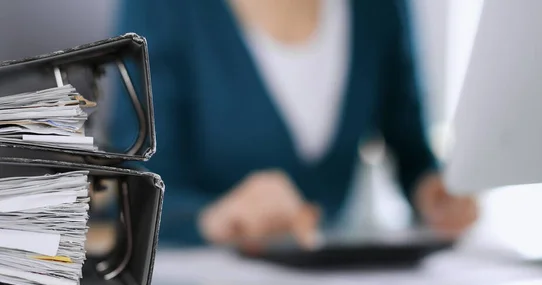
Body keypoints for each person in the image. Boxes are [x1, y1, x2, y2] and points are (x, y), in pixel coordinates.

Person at [111, 0, 478, 247]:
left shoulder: (378, 9)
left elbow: (410, 147)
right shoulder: (162, 9)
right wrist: (212, 218)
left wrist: (432, 192)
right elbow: (133, 186)